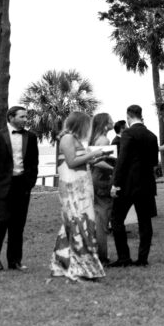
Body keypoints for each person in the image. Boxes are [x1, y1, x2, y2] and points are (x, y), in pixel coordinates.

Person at [50, 111, 107, 281]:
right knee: (80, 224)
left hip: (80, 184)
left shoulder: (74, 139)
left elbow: (81, 161)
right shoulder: (67, 138)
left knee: (75, 225)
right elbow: (71, 162)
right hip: (73, 187)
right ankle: (82, 268)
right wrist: (93, 154)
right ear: (79, 124)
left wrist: (97, 158)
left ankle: (63, 264)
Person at [0, 106, 39, 271]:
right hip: (3, 185)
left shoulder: (31, 137)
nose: (25, 119)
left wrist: (30, 182)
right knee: (3, 220)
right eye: (22, 116)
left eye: (26, 117)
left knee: (18, 225)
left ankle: (14, 261)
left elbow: (33, 163)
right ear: (11, 117)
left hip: (23, 185)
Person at [109, 105, 159, 267]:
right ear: (140, 115)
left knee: (117, 219)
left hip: (128, 185)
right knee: (145, 222)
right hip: (146, 185)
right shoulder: (152, 136)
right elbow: (154, 162)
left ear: (129, 117)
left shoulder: (128, 134)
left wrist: (115, 184)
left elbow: (122, 162)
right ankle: (142, 259)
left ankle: (124, 257)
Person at [88, 112, 115, 264]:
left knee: (97, 217)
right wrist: (113, 169)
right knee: (102, 220)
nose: (113, 121)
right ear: (105, 124)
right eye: (111, 120)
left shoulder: (95, 139)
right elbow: (97, 162)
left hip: (94, 178)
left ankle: (95, 254)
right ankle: (102, 256)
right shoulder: (104, 140)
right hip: (102, 179)